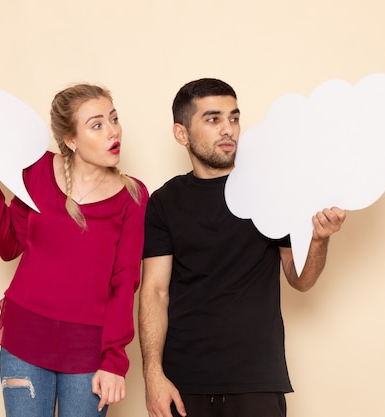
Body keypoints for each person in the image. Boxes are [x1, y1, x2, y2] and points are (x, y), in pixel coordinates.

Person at [139, 78, 346, 417]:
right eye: (213, 119)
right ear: (181, 133)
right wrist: (153, 376)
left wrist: (319, 240)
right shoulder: (164, 202)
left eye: (234, 118)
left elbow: (301, 279)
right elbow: (155, 291)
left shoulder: (270, 191)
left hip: (257, 379)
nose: (229, 130)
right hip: (183, 381)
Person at [0, 83, 148, 417]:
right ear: (70, 140)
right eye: (97, 125)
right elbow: (10, 247)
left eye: (114, 119)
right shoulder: (36, 171)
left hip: (88, 351)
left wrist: (114, 361)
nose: (113, 131)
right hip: (25, 339)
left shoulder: (133, 196)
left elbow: (125, 281)